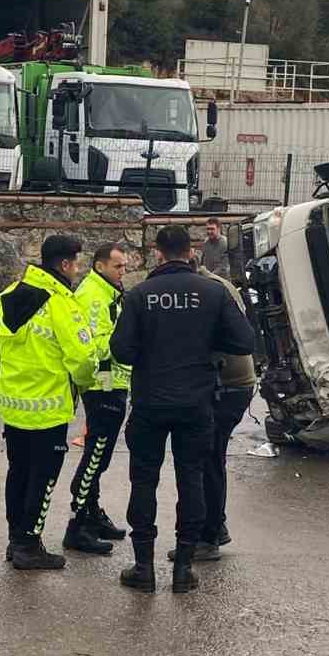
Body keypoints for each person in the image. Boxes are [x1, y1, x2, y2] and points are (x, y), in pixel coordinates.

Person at [109, 223, 255, 594]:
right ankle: (184, 568)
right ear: (191, 252)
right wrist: (208, 347)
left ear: (157, 252)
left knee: (144, 481)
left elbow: (121, 351)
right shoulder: (212, 292)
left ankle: (143, 567)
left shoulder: (140, 295)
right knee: (191, 479)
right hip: (196, 402)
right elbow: (244, 341)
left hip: (150, 401)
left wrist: (151, 352)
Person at [0, 235, 100, 570]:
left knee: (17, 472)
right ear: (64, 264)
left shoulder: (3, 298)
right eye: (76, 263)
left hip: (12, 407)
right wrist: (87, 384)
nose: (77, 271)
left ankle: (15, 539)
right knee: (43, 477)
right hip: (48, 409)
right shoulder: (61, 303)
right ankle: (29, 545)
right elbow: (81, 359)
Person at [183, 260, 257, 562]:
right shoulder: (216, 284)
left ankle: (208, 537)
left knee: (208, 458)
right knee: (213, 456)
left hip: (227, 384)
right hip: (235, 383)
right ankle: (217, 525)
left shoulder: (207, 291)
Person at [63, 243, 132, 555]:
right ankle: (77, 525)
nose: (123, 272)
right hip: (104, 384)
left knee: (99, 455)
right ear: (101, 266)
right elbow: (96, 346)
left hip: (113, 382)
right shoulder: (93, 294)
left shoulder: (108, 290)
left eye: (125, 266)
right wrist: (105, 387)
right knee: (95, 456)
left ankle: (92, 513)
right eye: (118, 266)